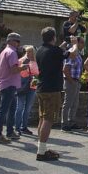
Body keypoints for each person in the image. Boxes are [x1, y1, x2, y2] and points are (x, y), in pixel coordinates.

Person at [36, 27, 79, 162]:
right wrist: (75, 44)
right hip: (52, 89)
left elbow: (58, 52)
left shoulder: (40, 50)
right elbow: (72, 54)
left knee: (42, 118)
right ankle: (41, 152)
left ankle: (41, 147)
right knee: (48, 119)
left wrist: (65, 43)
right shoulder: (54, 51)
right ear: (53, 37)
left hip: (42, 88)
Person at [0, 32, 26, 144]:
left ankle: (10, 132)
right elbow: (13, 70)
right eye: (17, 41)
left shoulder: (5, 51)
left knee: (11, 109)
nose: (18, 43)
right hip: (9, 84)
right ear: (11, 41)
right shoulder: (12, 53)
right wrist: (23, 67)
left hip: (7, 83)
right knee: (4, 110)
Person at [61, 37, 84, 132]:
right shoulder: (71, 52)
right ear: (77, 43)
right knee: (68, 103)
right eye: (82, 42)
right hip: (70, 81)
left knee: (75, 103)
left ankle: (71, 122)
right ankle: (64, 124)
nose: (83, 44)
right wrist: (72, 81)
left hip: (76, 81)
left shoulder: (78, 54)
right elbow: (65, 70)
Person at [15, 45, 39, 136]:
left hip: (33, 86)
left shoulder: (36, 62)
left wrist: (36, 77)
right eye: (27, 51)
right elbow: (16, 71)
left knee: (28, 108)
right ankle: (17, 127)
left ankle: (24, 127)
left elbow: (39, 73)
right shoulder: (21, 60)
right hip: (22, 85)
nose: (28, 53)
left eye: (30, 52)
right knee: (20, 107)